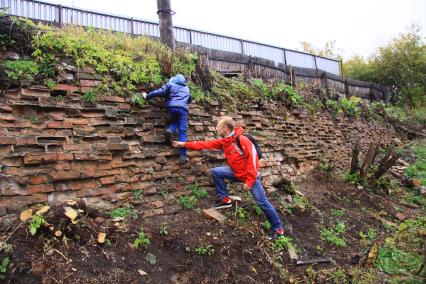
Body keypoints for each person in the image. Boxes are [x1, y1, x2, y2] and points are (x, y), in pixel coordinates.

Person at [172, 116, 285, 239]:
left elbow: (253, 161)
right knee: (216, 172)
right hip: (236, 173)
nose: (216, 128)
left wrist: (249, 181)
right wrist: (184, 144)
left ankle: (278, 230)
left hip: (249, 177)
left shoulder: (242, 140)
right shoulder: (225, 141)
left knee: (262, 202)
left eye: (218, 126)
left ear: (225, 128)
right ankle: (225, 200)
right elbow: (205, 144)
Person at [143, 74, 192, 163]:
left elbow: (160, 91)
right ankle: (182, 156)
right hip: (183, 110)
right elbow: (189, 99)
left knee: (175, 121)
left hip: (171, 107)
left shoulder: (170, 85)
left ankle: (170, 129)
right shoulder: (187, 88)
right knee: (182, 131)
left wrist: (147, 96)